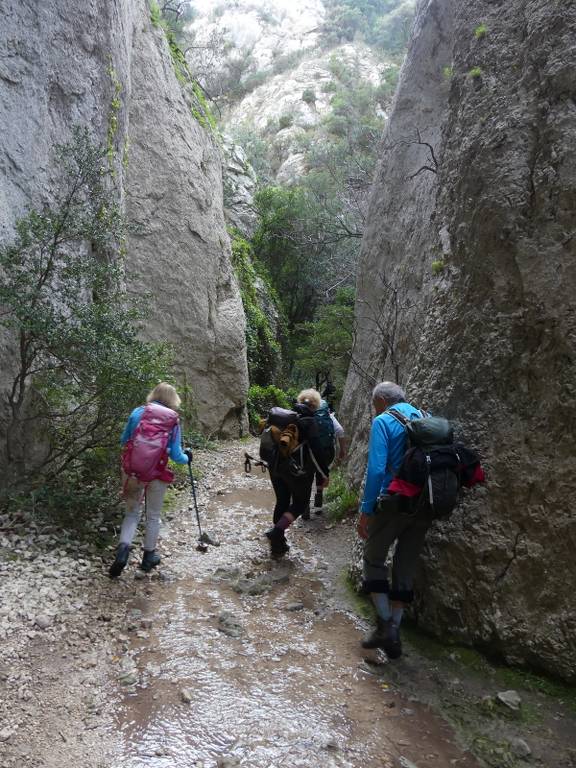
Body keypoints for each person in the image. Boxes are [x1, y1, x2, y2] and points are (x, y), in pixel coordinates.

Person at [356, 381, 430, 659]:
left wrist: (366, 511)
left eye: (375, 405)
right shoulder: (425, 417)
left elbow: (376, 470)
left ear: (382, 402)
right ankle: (395, 630)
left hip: (393, 502)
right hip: (425, 505)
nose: (375, 410)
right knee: (405, 566)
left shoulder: (384, 421)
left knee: (373, 559)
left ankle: (387, 626)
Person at [109, 382, 191, 578]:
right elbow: (177, 456)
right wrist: (188, 457)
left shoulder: (138, 412)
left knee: (131, 513)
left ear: (153, 395)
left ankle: (122, 553)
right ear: (173, 399)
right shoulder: (172, 420)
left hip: (133, 471)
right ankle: (148, 559)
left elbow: (124, 440)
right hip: (157, 474)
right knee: (153, 515)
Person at [265, 388, 331, 556]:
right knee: (300, 504)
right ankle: (277, 531)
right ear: (316, 406)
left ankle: (277, 546)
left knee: (282, 501)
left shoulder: (285, 418)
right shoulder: (309, 421)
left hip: (275, 466)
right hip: (296, 471)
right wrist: (324, 474)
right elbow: (317, 451)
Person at [305, 403, 347, 518]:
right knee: (321, 474)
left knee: (307, 479)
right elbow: (340, 431)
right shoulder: (328, 415)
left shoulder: (304, 413)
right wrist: (342, 450)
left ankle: (305, 510)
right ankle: (318, 507)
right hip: (326, 452)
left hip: (309, 453)